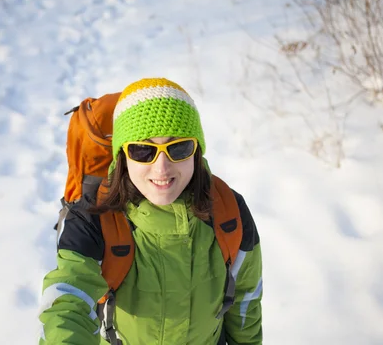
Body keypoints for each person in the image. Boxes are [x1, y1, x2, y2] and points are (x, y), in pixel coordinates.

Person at [39, 78, 263, 344]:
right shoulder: (94, 219)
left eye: (178, 148)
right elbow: (68, 305)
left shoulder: (229, 212)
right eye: (143, 150)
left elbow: (245, 302)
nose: (162, 169)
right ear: (122, 155)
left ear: (196, 150)